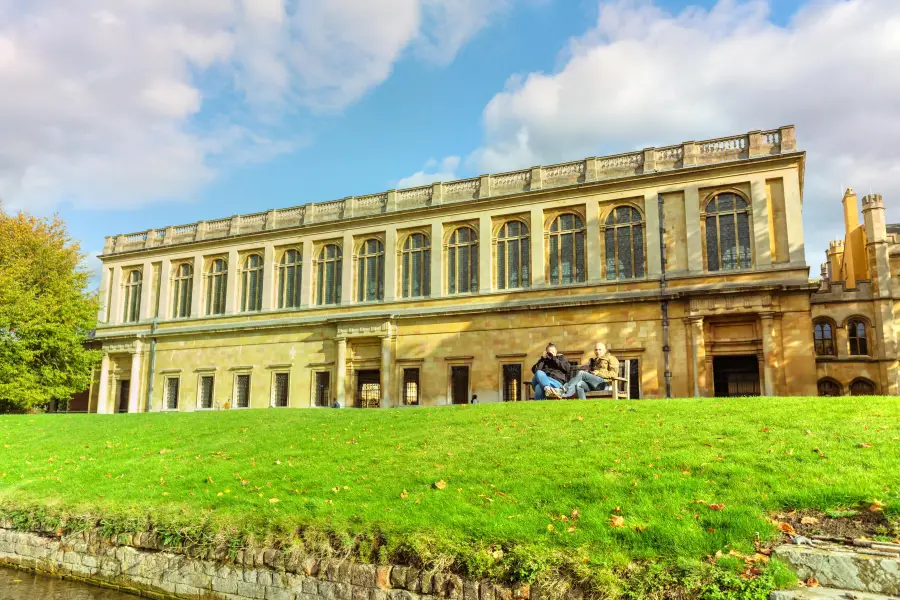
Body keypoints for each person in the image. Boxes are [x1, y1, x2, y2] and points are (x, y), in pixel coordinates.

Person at [548, 342, 619, 399]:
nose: (597, 351)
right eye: (596, 350)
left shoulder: (611, 358)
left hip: (603, 384)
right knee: (580, 384)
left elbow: (614, 374)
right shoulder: (594, 361)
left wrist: (599, 373)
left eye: (600, 349)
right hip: (593, 384)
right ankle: (583, 404)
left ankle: (564, 390)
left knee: (581, 373)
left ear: (605, 350)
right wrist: (589, 372)